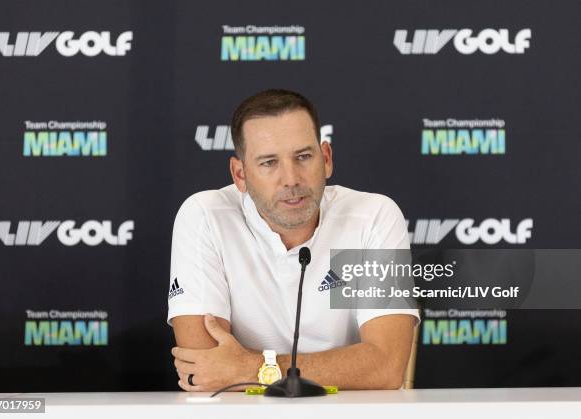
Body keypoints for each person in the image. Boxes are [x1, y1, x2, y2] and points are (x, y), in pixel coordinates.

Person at [167, 89, 419, 392]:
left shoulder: (372, 216)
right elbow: (206, 371)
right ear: (240, 174)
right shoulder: (206, 216)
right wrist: (342, 369)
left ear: (326, 158)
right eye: (269, 163)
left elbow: (386, 368)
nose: (291, 179)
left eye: (303, 157)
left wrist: (254, 367)